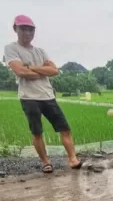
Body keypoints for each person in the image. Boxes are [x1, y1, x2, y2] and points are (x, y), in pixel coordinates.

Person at [4, 15, 81, 173]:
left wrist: (30, 67)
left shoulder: (40, 51)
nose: (27, 32)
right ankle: (45, 162)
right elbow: (20, 71)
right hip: (29, 97)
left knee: (64, 128)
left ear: (34, 32)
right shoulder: (11, 49)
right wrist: (41, 70)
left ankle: (73, 159)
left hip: (48, 96)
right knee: (37, 132)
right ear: (16, 29)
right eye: (23, 28)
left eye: (30, 29)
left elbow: (54, 70)